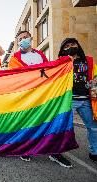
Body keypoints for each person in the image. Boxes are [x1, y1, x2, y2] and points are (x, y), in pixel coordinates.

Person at [9, 31, 72, 167]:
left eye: (25, 37)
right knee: (27, 122)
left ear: (31, 39)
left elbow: (49, 71)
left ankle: (54, 151)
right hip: (25, 96)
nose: (23, 40)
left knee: (49, 120)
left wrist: (64, 63)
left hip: (43, 94)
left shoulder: (40, 55)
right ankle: (25, 148)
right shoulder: (14, 58)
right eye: (20, 39)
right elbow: (14, 77)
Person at [58, 38, 97, 163]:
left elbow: (95, 77)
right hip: (69, 100)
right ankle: (56, 152)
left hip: (86, 100)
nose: (70, 47)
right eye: (67, 46)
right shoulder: (60, 63)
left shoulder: (89, 61)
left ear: (78, 45)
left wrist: (94, 84)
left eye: (73, 44)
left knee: (93, 127)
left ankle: (94, 152)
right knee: (62, 127)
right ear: (62, 50)